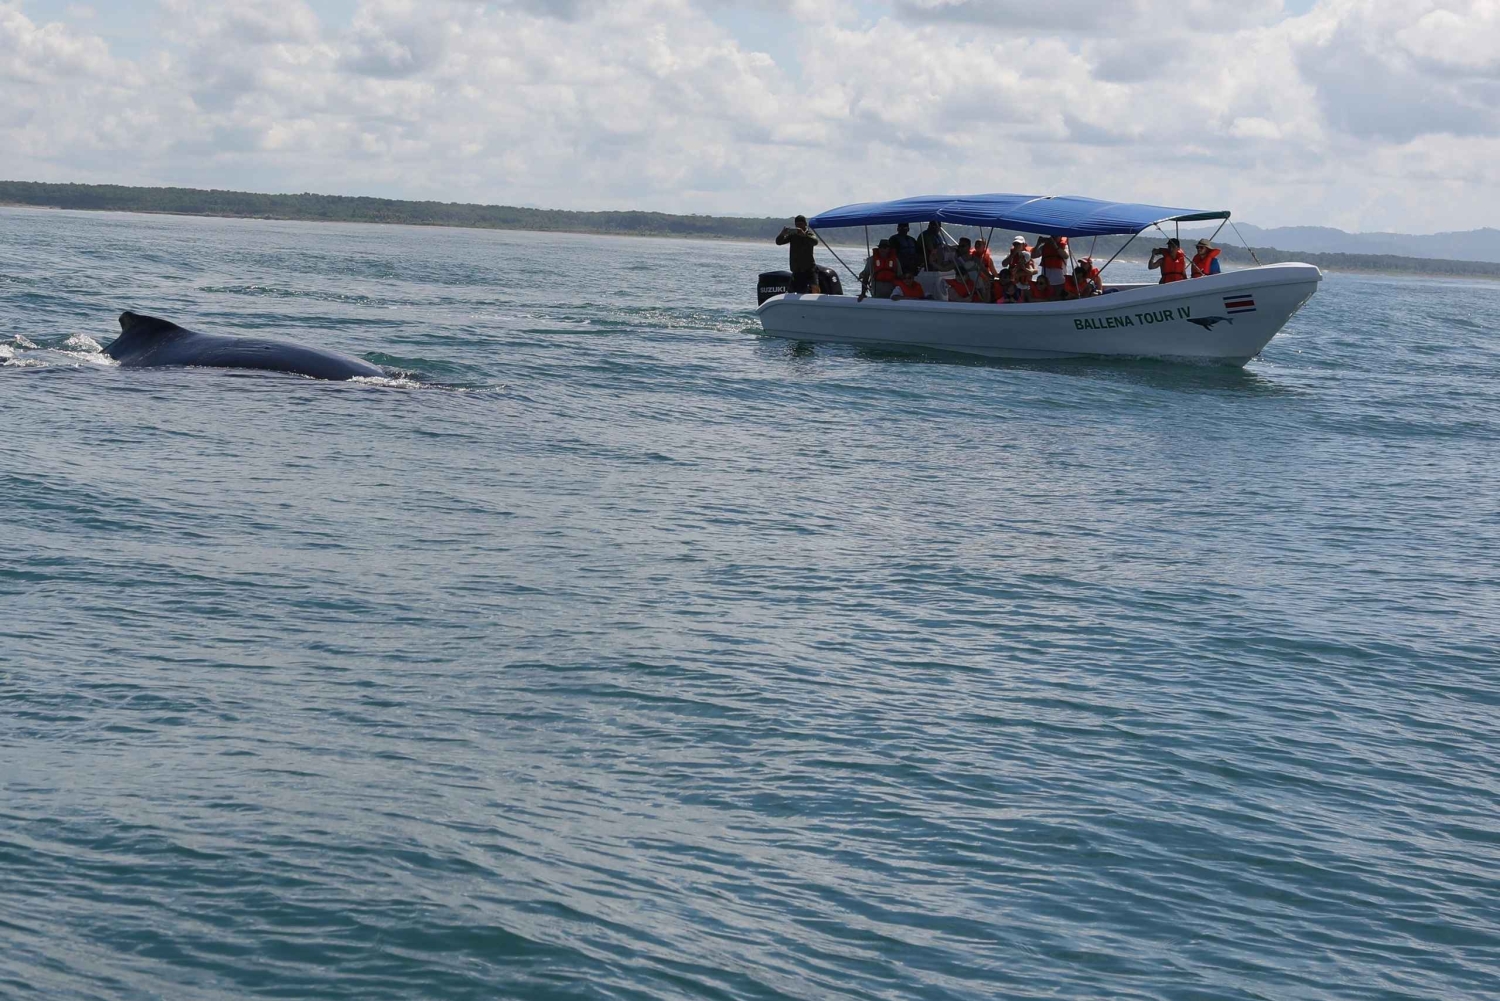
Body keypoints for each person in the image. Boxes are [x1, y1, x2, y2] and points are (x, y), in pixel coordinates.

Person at [776, 215, 821, 293]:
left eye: (800, 224)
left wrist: (804, 235)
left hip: (809, 268)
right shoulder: (793, 235)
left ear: (805, 224)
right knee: (793, 291)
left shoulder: (809, 234)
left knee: (815, 288)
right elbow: (779, 242)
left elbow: (815, 242)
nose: (798, 226)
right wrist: (782, 233)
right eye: (797, 224)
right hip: (797, 269)